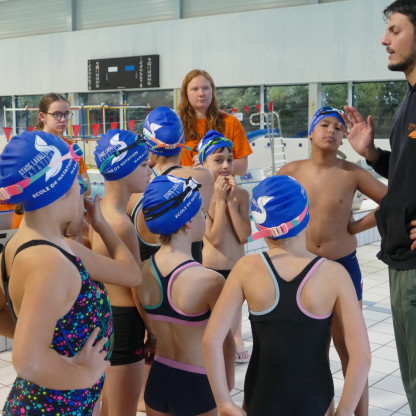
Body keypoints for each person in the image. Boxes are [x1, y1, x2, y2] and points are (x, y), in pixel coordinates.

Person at [202, 175, 371, 416]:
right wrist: (344, 411)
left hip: (261, 398)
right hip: (316, 400)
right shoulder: (334, 275)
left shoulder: (246, 269)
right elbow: (361, 356)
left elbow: (211, 341)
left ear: (260, 224)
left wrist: (224, 403)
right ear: (306, 216)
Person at [0, 130, 141, 415]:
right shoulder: (50, 262)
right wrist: (83, 375)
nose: (83, 191)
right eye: (80, 183)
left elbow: (131, 274)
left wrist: (100, 223)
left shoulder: (35, 246)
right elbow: (27, 361)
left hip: (49, 401)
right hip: (54, 406)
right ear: (62, 188)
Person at [276, 106, 387, 415]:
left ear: (343, 138)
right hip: (301, 268)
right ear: (311, 132)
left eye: (338, 128)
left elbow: (391, 200)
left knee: (350, 349)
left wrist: (357, 226)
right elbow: (268, 211)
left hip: (342, 266)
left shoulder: (352, 173)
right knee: (312, 350)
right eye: (324, 124)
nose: (332, 130)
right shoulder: (289, 172)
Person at [338, 1, 416, 413]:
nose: (385, 40)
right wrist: (372, 155)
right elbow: (405, 175)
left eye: (395, 30)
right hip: (401, 259)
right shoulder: (409, 101)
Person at [138, 175, 235, 416]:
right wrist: (226, 389)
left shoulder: (142, 271)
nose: (204, 218)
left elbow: (146, 321)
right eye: (201, 212)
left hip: (157, 381)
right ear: (189, 221)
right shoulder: (210, 280)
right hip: (197, 384)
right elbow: (226, 341)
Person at [92, 129, 155, 416]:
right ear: (123, 168)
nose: (149, 169)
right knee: (122, 410)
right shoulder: (120, 223)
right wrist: (152, 331)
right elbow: (135, 287)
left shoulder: (102, 214)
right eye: (142, 164)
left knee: (109, 406)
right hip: (126, 322)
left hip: (108, 316)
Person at [127, 106, 214, 264]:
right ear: (182, 140)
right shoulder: (204, 177)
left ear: (147, 142)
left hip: (150, 278)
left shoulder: (135, 191)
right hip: (192, 277)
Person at [197, 129, 251, 362]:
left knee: (235, 308)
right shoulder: (200, 197)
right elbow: (216, 238)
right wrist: (219, 200)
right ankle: (213, 342)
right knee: (213, 313)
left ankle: (236, 337)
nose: (226, 165)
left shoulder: (241, 195)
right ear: (203, 164)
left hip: (236, 266)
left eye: (230, 159)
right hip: (210, 267)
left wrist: (229, 202)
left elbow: (244, 236)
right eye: (218, 160)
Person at [178, 69, 252, 176]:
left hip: (222, 185)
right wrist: (196, 169)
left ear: (212, 91)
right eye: (195, 89)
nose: (201, 93)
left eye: (206, 88)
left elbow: (242, 168)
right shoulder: (175, 125)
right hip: (185, 184)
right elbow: (165, 167)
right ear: (185, 93)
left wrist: (209, 164)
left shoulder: (231, 122)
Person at [36, 92, 91, 195]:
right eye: (56, 114)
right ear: (43, 116)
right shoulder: (31, 146)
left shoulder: (72, 148)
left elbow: (87, 190)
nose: (63, 119)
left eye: (66, 114)